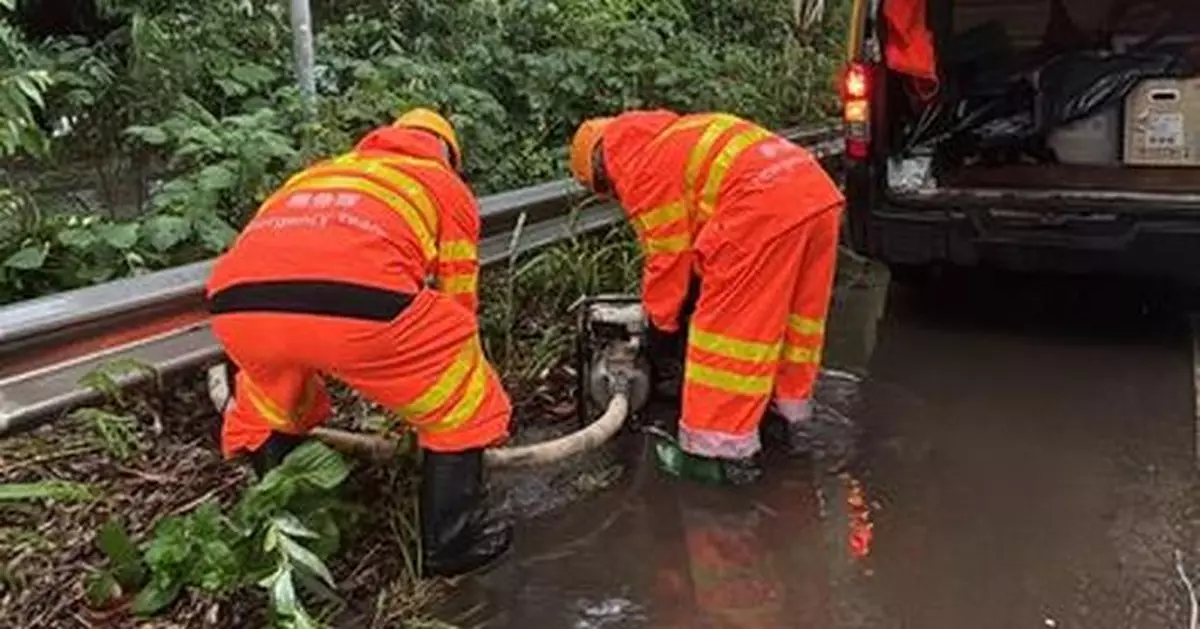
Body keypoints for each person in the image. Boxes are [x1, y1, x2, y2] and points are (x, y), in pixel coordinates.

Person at [204, 108, 512, 578]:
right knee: (461, 397)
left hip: (237, 307)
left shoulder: (319, 172)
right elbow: (456, 296)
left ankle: (284, 530)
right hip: (355, 305)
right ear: (448, 153)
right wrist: (434, 380)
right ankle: (451, 542)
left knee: (273, 402)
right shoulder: (442, 184)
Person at [568, 110, 847, 484]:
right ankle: (785, 419)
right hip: (816, 195)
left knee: (728, 336)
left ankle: (716, 453)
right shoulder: (677, 136)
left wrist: (660, 327)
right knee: (795, 323)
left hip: (761, 210)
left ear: (602, 175)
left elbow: (668, 259)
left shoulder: (641, 170)